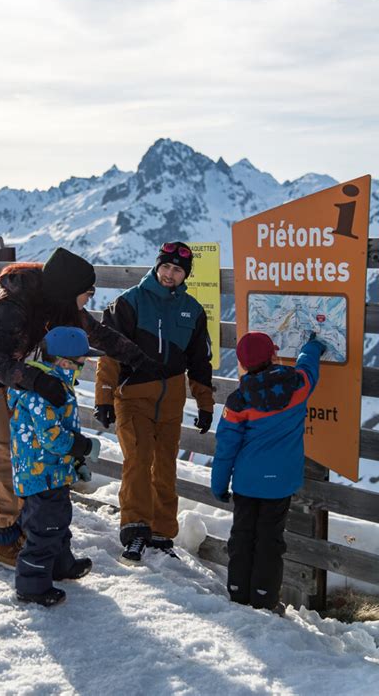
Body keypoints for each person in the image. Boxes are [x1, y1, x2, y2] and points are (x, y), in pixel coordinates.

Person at [0, 247, 163, 568]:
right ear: (70, 290)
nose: (91, 297)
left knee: (23, 446)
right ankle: (3, 537)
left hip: (15, 374)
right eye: (88, 292)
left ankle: (26, 523)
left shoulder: (58, 298)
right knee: (0, 453)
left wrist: (139, 360)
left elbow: (99, 334)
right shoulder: (11, 306)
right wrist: (35, 379)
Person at [94, 241, 214, 564]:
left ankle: (161, 534)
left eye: (177, 270)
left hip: (171, 403)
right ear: (157, 266)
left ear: (184, 274)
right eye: (166, 267)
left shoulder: (192, 311)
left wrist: (205, 404)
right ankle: (135, 532)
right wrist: (104, 397)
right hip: (133, 399)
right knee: (138, 460)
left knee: (165, 466)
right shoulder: (129, 303)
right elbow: (110, 353)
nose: (169, 274)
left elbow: (200, 362)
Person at [211, 330, 326, 615]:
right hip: (280, 484)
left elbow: (225, 448)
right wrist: (312, 346)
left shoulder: (238, 401)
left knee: (242, 536)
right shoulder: (297, 385)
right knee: (270, 541)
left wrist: (218, 484)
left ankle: (238, 591)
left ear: (242, 364)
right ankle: (264, 597)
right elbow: (308, 367)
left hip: (247, 483)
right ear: (274, 356)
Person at [8, 326, 99, 607]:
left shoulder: (55, 384)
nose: (84, 367)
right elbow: (52, 438)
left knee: (58, 521)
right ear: (63, 361)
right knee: (44, 529)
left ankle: (61, 566)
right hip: (40, 474)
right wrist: (83, 447)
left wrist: (76, 462)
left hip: (53, 473)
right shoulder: (41, 391)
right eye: (81, 362)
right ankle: (31, 587)